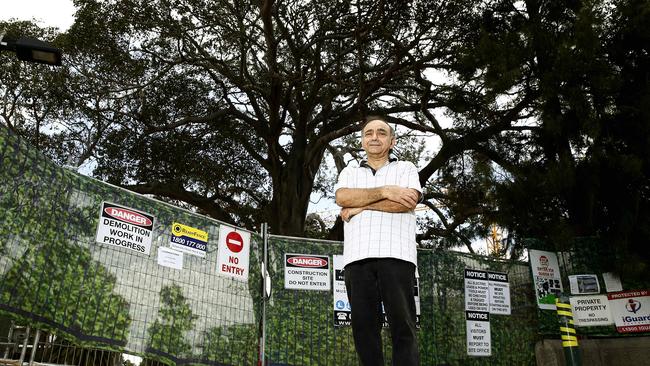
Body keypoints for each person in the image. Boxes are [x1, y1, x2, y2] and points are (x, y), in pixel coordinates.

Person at [334, 115, 422, 365]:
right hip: (357, 258)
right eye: (369, 133)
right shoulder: (349, 172)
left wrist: (361, 207)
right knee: (364, 330)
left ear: (392, 141)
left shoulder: (405, 168)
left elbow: (406, 203)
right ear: (362, 141)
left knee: (402, 326)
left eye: (381, 133)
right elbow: (342, 198)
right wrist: (385, 191)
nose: (374, 137)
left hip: (397, 256)